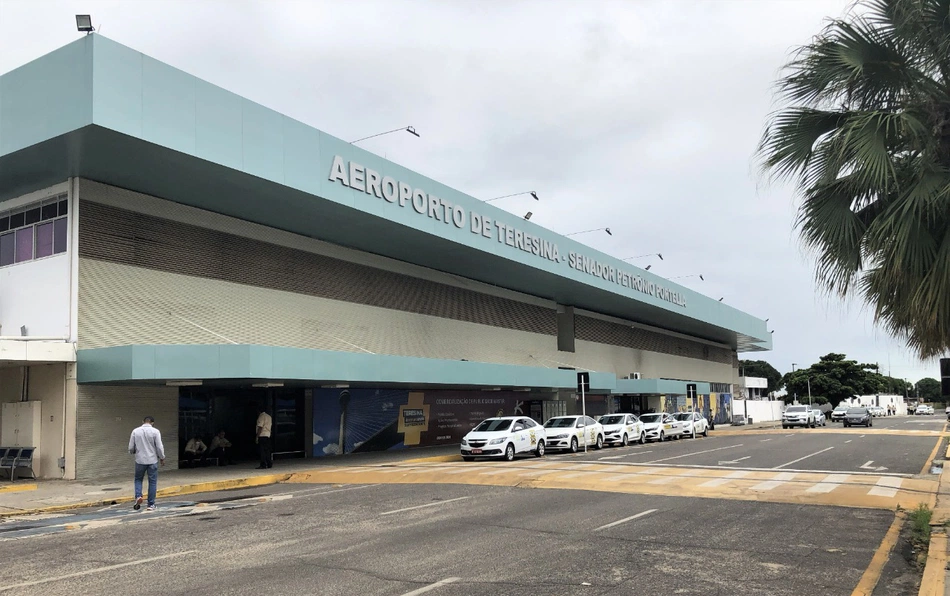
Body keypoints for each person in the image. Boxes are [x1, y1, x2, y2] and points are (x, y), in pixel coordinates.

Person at [128, 415, 165, 511]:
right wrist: (162, 457)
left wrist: (133, 452)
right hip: (152, 460)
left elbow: (131, 447)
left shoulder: (135, 431)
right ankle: (151, 504)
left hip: (140, 460)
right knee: (152, 482)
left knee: (138, 479)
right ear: (152, 423)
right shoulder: (156, 431)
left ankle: (138, 496)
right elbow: (159, 447)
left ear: (142, 421)